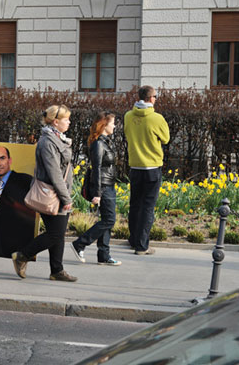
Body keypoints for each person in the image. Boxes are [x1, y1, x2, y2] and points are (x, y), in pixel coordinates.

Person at [11, 105, 77, 282]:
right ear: (56, 122)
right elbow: (54, 172)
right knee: (56, 233)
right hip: (52, 194)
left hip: (57, 192)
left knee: (58, 232)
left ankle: (57, 270)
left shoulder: (58, 139)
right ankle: (22, 256)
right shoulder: (48, 142)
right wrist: (66, 198)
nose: (69, 122)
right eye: (66, 119)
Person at [124, 86, 170, 255]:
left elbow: (127, 133)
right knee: (148, 207)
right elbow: (166, 138)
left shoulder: (128, 116)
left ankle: (133, 239)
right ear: (151, 98)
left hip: (135, 165)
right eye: (156, 96)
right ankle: (142, 246)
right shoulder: (157, 118)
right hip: (152, 166)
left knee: (135, 204)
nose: (156, 99)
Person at [71, 112, 121, 266]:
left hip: (109, 186)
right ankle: (80, 243)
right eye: (112, 123)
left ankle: (104, 255)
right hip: (104, 187)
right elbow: (97, 169)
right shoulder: (98, 144)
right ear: (104, 125)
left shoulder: (106, 142)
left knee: (107, 220)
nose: (115, 126)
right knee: (110, 220)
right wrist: (97, 193)